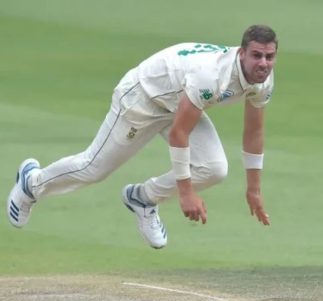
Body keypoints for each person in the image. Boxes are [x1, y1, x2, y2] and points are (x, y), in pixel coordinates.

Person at [7, 24, 277, 249]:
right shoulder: (212, 76)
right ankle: (32, 183)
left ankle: (143, 198)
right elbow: (179, 134)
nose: (263, 63)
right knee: (93, 169)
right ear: (241, 53)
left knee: (214, 168)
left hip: (178, 101)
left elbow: (254, 131)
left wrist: (254, 190)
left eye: (269, 56)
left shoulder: (263, 80)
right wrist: (185, 193)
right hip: (143, 97)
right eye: (256, 55)